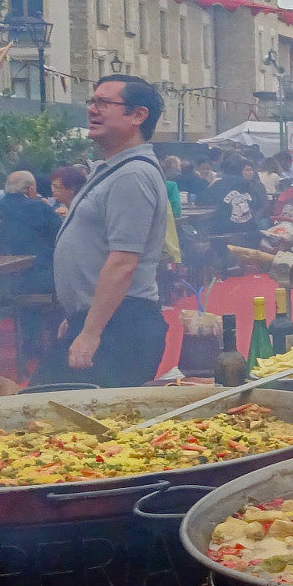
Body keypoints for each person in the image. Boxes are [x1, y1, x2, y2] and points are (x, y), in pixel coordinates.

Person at [33, 75, 172, 388]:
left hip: (120, 326)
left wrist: (90, 332)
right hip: (104, 320)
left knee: (59, 417)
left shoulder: (132, 175)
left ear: (138, 116)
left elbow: (123, 262)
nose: (93, 110)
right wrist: (78, 316)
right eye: (92, 102)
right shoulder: (114, 169)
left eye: (104, 103)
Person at [0, 170, 61, 290]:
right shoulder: (40, 207)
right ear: (31, 189)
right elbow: (60, 233)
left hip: (4, 277)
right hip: (39, 273)